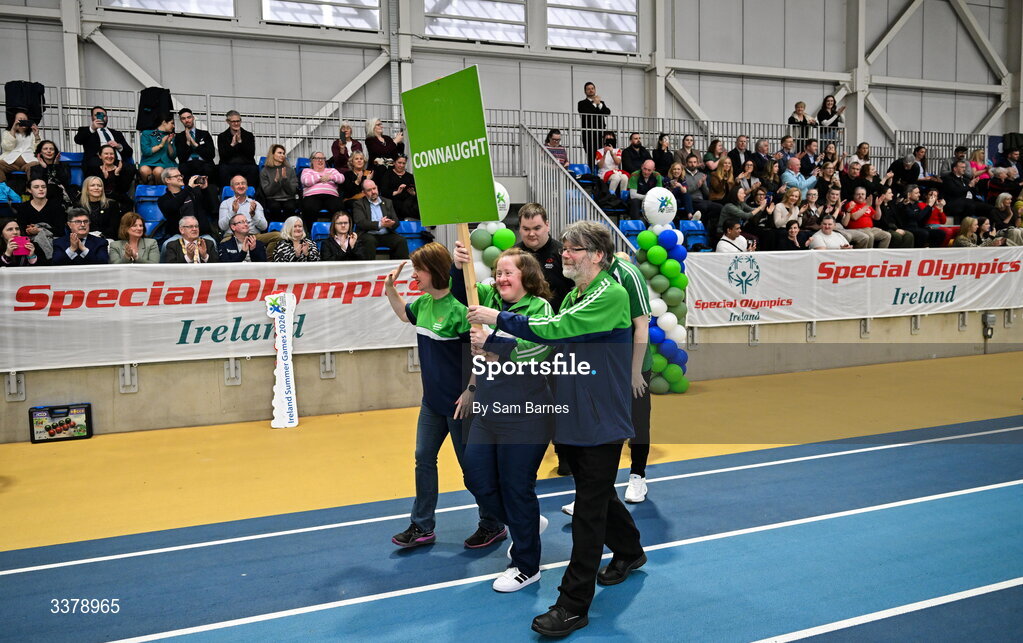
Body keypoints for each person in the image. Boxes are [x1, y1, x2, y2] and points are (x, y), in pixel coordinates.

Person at [466, 221, 644, 638]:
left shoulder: (610, 294)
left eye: (574, 248)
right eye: (564, 247)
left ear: (598, 255)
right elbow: (555, 346)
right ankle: (631, 550)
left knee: (587, 513)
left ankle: (572, 604)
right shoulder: (580, 293)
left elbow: (554, 330)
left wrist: (499, 320)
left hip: (600, 420)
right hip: (575, 414)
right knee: (595, 494)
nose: (564, 253)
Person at [384, 243, 505, 550]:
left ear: (434, 271)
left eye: (419, 269)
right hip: (432, 403)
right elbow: (402, 315)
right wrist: (389, 289)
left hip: (461, 404)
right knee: (423, 458)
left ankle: (493, 524)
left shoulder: (460, 308)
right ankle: (422, 526)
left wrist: (471, 390)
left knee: (471, 470)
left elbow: (482, 352)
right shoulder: (424, 304)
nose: (415, 275)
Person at [450, 244, 555, 592]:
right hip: (489, 412)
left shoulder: (539, 308)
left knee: (516, 487)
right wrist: (457, 264)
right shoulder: (488, 301)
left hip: (526, 414)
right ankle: (524, 523)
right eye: (497, 272)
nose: (501, 277)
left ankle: (527, 566)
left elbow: (541, 348)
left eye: (508, 272)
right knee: (476, 478)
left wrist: (493, 346)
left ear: (526, 275)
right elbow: (459, 288)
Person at [514, 203, 574, 312]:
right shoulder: (512, 255)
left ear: (547, 225)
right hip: (521, 321)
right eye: (526, 229)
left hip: (556, 321)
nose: (531, 234)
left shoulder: (564, 254)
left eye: (537, 228)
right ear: (520, 228)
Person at [351, 179, 409, 259]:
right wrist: (380, 224)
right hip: (368, 234)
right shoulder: (358, 204)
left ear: (377, 188)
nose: (373, 192)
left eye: (374, 188)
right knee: (369, 241)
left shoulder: (388, 202)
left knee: (401, 240)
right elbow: (360, 222)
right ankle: (369, 269)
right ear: (363, 192)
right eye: (369, 190)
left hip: (386, 234)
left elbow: (396, 221)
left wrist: (390, 223)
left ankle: (399, 268)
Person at [159, 168, 217, 244]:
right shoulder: (163, 200)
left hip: (200, 234)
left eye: (180, 175)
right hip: (178, 235)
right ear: (167, 180)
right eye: (176, 176)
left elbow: (211, 208)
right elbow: (174, 206)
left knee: (212, 242)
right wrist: (188, 187)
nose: (180, 178)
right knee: (166, 245)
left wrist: (204, 190)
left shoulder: (193, 193)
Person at [73, 106, 134, 177]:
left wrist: (118, 146)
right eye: (97, 115)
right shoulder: (87, 130)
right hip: (97, 162)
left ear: (107, 118)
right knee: (94, 165)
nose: (101, 117)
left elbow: (129, 152)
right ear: (92, 117)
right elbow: (78, 140)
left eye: (104, 115)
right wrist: (92, 128)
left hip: (116, 161)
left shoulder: (116, 133)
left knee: (131, 168)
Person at [16, 178, 63, 261]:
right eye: (36, 187)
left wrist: (39, 230)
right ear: (29, 190)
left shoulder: (56, 206)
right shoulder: (23, 208)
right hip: (29, 242)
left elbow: (60, 231)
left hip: (53, 242)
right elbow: (21, 230)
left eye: (43, 187)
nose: (41, 189)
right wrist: (29, 230)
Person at [300, 152, 344, 228]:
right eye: (317, 158)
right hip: (312, 196)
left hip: (331, 195)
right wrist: (320, 177)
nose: (320, 160)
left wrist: (331, 177)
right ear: (312, 161)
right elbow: (306, 181)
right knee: (308, 207)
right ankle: (311, 232)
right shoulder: (307, 171)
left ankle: (336, 231)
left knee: (338, 207)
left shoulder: (331, 170)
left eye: (323, 158)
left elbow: (341, 178)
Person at [217, 110, 258, 188]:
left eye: (238, 121)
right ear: (228, 122)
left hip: (246, 164)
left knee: (253, 169)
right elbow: (223, 156)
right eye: (233, 121)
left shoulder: (248, 135)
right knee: (222, 169)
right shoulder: (222, 136)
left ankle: (252, 195)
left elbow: (251, 154)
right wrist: (232, 145)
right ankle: (226, 195)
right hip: (228, 164)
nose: (236, 123)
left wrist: (240, 142)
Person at [174, 108, 216, 183]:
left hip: (204, 163)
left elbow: (211, 154)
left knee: (210, 169)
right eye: (183, 118)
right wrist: (187, 142)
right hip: (188, 165)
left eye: (189, 117)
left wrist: (195, 144)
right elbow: (181, 158)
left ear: (193, 118)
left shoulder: (204, 134)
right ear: (181, 120)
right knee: (183, 170)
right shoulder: (179, 136)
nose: (187, 120)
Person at [259, 144, 300, 222]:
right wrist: (276, 182)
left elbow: (292, 191)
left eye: (283, 153)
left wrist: (285, 181)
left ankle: (289, 231)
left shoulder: (290, 170)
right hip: (272, 199)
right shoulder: (265, 171)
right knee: (274, 207)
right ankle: (276, 231)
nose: (282, 155)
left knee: (290, 207)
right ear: (272, 154)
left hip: (289, 198)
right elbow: (268, 192)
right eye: (279, 153)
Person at [29, 139, 74, 206]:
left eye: (51, 149)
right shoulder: (35, 168)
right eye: (45, 149)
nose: (49, 151)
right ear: (40, 152)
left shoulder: (64, 166)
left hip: (62, 195)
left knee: (53, 188)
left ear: (55, 152)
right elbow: (39, 185)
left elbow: (65, 182)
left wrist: (56, 166)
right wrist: (44, 168)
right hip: (43, 195)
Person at [0, 111, 40, 183]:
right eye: (20, 120)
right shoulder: (7, 132)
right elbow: (7, 147)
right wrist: (13, 130)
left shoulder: (33, 133)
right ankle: (3, 190)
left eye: (25, 120)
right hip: (10, 163)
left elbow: (40, 150)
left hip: (29, 163)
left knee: (35, 165)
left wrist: (36, 135)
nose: (23, 121)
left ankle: (33, 190)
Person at [577, 82, 610, 165]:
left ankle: (600, 173)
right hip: (588, 133)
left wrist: (599, 104)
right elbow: (587, 112)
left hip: (600, 133)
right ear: (585, 92)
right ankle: (592, 174)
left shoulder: (601, 102)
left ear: (595, 90)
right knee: (591, 154)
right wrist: (595, 103)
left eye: (592, 88)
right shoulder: (581, 103)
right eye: (588, 89)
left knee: (601, 154)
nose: (591, 90)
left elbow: (607, 112)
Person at [79, 175, 121, 239]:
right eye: (92, 185)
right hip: (85, 238)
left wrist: (101, 236)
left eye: (99, 185)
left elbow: (114, 227)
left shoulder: (111, 204)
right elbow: (76, 226)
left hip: (106, 238)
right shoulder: (79, 206)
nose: (96, 188)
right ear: (86, 189)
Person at [137, 115, 176, 185]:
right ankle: (148, 191)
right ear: (164, 122)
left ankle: (160, 192)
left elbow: (173, 156)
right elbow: (146, 151)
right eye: (172, 123)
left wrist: (169, 143)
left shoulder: (171, 136)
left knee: (158, 171)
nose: (173, 126)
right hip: (148, 161)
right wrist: (160, 145)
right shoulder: (147, 133)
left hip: (165, 163)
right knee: (144, 170)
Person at [381, 155, 419, 220]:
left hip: (409, 202)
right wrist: (396, 192)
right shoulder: (388, 174)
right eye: (399, 163)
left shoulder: (409, 176)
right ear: (394, 163)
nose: (401, 165)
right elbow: (384, 191)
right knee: (398, 205)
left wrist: (413, 193)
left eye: (403, 163)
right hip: (393, 201)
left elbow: (417, 192)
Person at [96, 144, 133, 209]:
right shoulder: (94, 170)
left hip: (118, 200)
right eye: (106, 154)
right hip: (100, 199)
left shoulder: (122, 169)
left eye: (111, 154)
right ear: (100, 156)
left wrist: (116, 174)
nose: (109, 156)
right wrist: (104, 177)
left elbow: (123, 190)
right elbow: (95, 188)